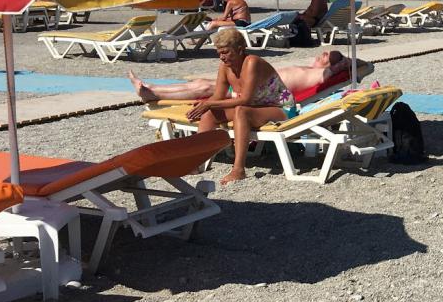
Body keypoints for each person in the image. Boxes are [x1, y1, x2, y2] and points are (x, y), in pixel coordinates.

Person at [185, 28, 293, 185]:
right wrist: (204, 105)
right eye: (219, 53)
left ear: (240, 49)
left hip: (280, 109)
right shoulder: (225, 67)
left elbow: (246, 99)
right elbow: (218, 95)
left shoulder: (252, 62)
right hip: (255, 107)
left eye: (226, 52)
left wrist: (209, 103)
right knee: (210, 114)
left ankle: (239, 169)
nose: (222, 57)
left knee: (241, 111)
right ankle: (194, 163)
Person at [129, 49, 353, 102]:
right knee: (204, 83)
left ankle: (154, 93)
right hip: (265, 87)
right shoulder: (313, 70)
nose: (321, 54)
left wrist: (342, 62)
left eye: (326, 55)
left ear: (330, 63)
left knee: (208, 89)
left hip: (266, 95)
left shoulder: (321, 74)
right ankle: (152, 89)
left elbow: (358, 64)